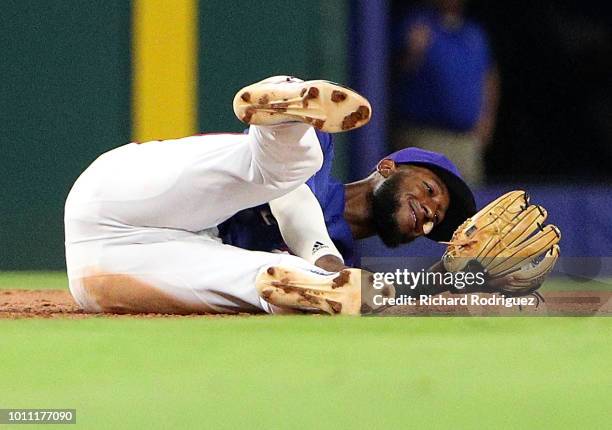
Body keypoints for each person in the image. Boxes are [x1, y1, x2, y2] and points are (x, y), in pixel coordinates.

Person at [64, 76, 475, 316]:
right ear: (388, 167)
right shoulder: (320, 158)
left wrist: (459, 279)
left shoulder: (347, 265)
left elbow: (371, 288)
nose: (432, 212)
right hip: (123, 191)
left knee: (265, 283)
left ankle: (300, 291)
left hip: (106, 265)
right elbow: (293, 206)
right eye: (430, 189)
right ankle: (287, 100)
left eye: (438, 218)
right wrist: (323, 259)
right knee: (287, 167)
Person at [392, 0, 499, 185]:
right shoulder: (417, 25)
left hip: (466, 142)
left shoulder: (474, 34)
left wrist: (486, 121)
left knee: (469, 206)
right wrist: (411, 53)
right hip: (425, 138)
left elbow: (489, 77)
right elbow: (391, 72)